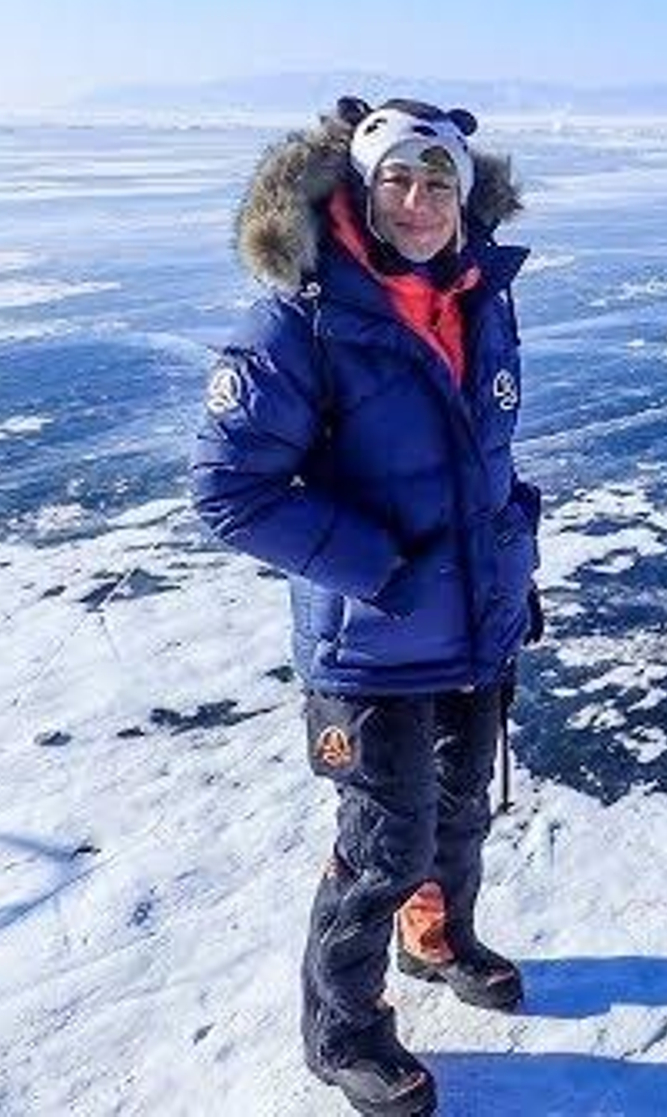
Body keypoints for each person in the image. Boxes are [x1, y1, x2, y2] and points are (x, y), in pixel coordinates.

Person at [191, 95, 542, 1117]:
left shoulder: (479, 297)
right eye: (398, 179)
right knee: (385, 842)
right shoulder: (297, 324)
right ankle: (342, 1030)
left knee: (461, 813)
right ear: (361, 188)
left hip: (476, 620)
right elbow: (230, 490)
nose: (420, 202)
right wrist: (383, 572)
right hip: (371, 641)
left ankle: (437, 939)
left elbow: (486, 464)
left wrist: (513, 575)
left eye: (440, 183)